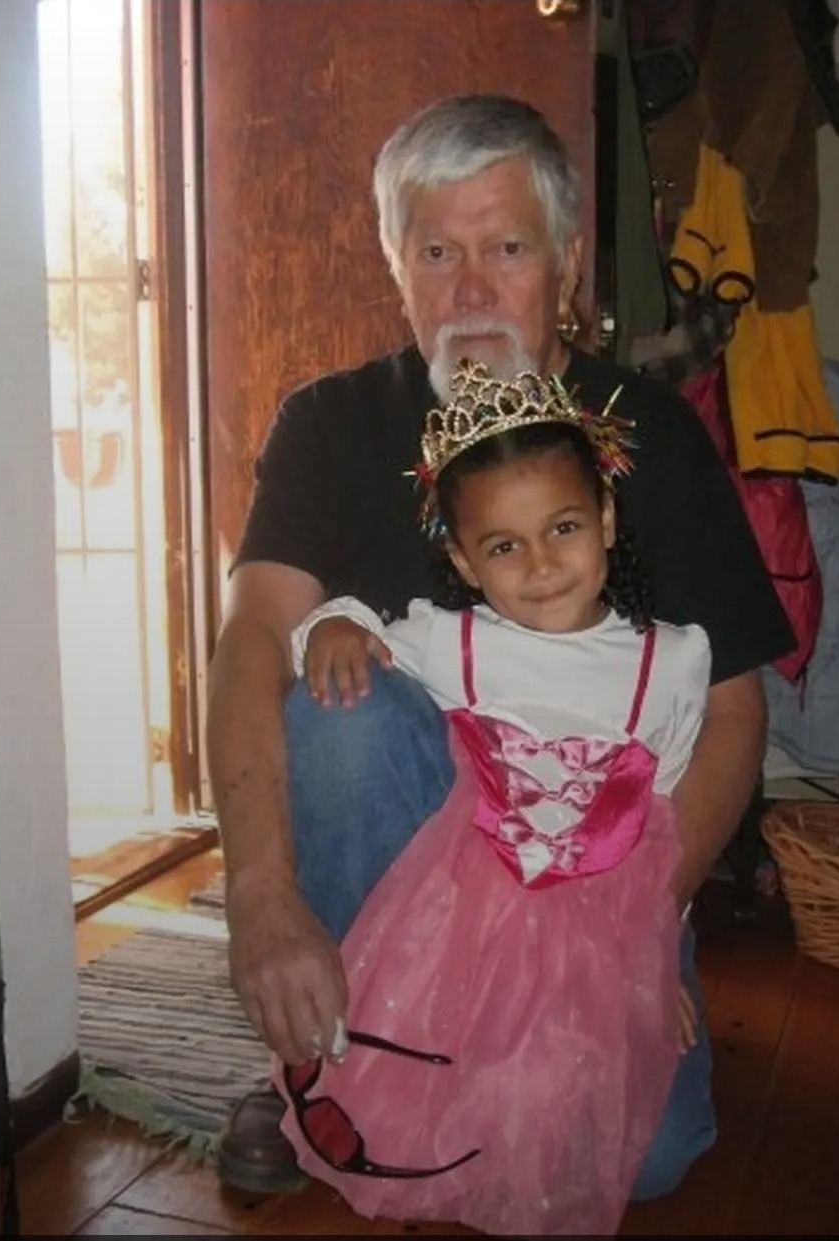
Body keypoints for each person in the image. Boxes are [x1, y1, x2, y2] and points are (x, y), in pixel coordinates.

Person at [206, 93, 793, 1199]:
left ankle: (473, 1070)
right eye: (438, 252)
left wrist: (639, 917)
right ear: (396, 266)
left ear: (566, 264)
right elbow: (252, 641)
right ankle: (335, 1052)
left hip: (601, 866)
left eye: (508, 249)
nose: (471, 292)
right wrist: (259, 896)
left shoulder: (657, 437)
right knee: (339, 703)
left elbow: (730, 710)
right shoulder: (325, 424)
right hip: (411, 856)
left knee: (646, 1161)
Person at [272, 360, 709, 1236]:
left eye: (564, 528)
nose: (542, 565)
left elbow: (664, 817)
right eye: (504, 546)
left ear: (607, 518)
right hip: (469, 920)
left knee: (650, 1159)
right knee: (440, 1098)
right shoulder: (453, 642)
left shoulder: (671, 662)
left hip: (603, 931)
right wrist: (332, 624)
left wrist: (657, 953)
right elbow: (340, 630)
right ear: (464, 562)